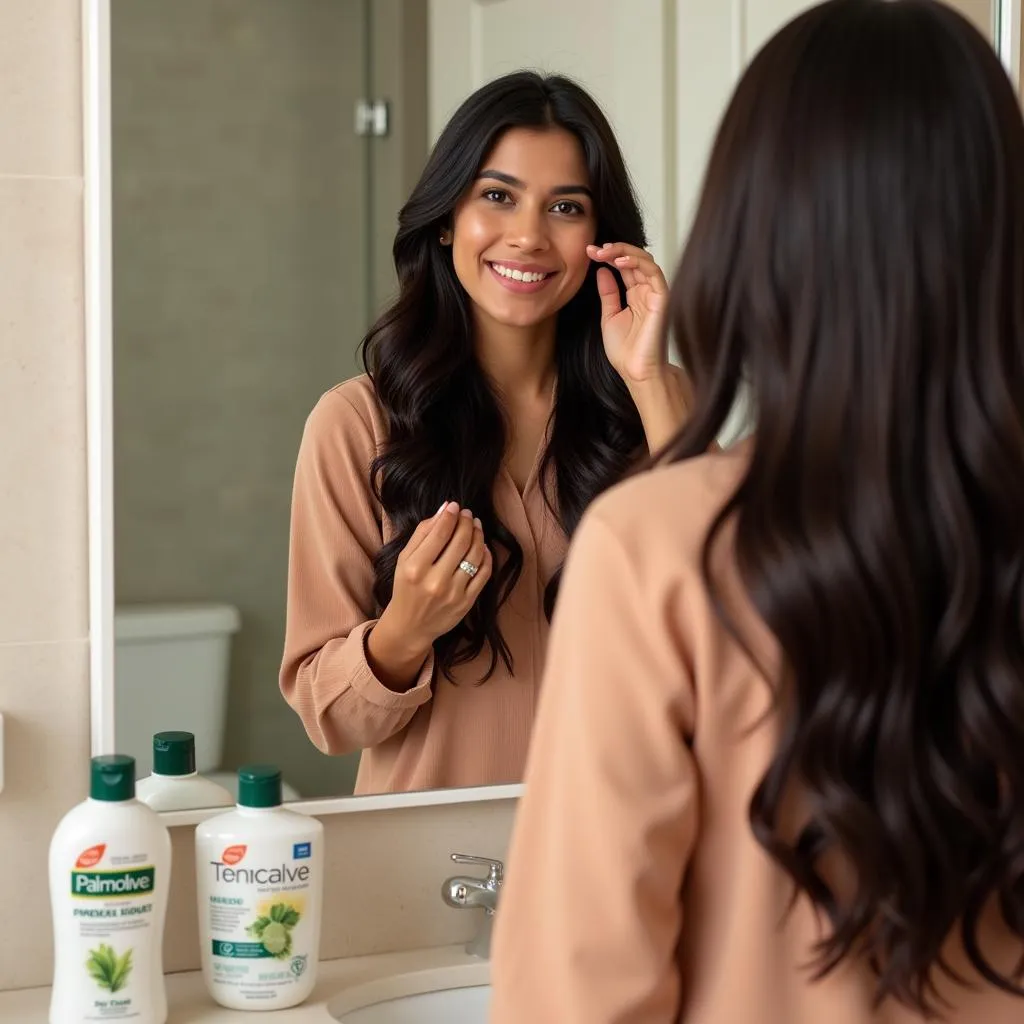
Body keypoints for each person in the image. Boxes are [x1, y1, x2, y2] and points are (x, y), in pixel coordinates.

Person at [491, 2, 1024, 1021]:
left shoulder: (659, 548)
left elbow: (577, 994)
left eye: (565, 205)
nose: (530, 233)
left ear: (752, 236)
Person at [278, 71, 689, 795]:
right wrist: (403, 630)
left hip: (618, 861)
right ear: (446, 219)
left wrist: (651, 381)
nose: (528, 236)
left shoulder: (660, 402)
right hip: (424, 869)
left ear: (603, 238)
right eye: (497, 196)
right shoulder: (355, 425)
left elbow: (736, 631)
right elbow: (329, 718)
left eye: (566, 207)